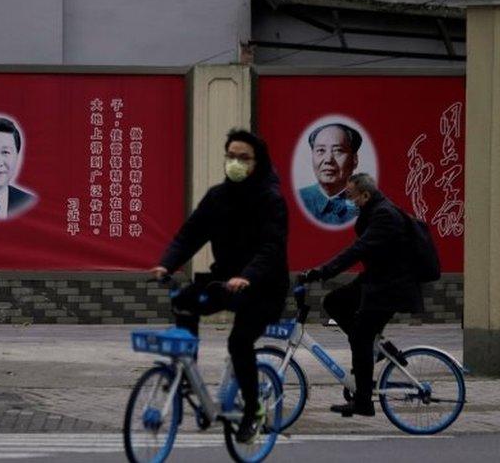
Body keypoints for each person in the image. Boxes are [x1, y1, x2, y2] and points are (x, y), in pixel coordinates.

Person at [150, 129, 289, 444]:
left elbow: (272, 247)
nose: (235, 163)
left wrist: (249, 275)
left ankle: (253, 411)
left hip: (263, 288)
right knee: (184, 301)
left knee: (239, 343)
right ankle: (189, 374)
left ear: (258, 162)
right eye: (231, 156)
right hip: (224, 281)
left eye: (243, 158)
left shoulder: (271, 199)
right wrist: (167, 264)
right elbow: (190, 234)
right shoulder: (218, 197)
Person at [303, 172, 424, 417]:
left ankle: (363, 402)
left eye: (351, 196)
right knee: (334, 301)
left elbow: (358, 250)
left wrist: (323, 271)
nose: (348, 201)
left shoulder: (384, 216)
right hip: (376, 279)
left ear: (366, 195)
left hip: (391, 286)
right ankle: (376, 348)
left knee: (360, 337)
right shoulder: (373, 211)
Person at [298, 123, 362, 226]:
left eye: (338, 151)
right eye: (321, 150)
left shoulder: (367, 205)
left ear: (354, 160)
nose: (328, 160)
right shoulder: (298, 200)